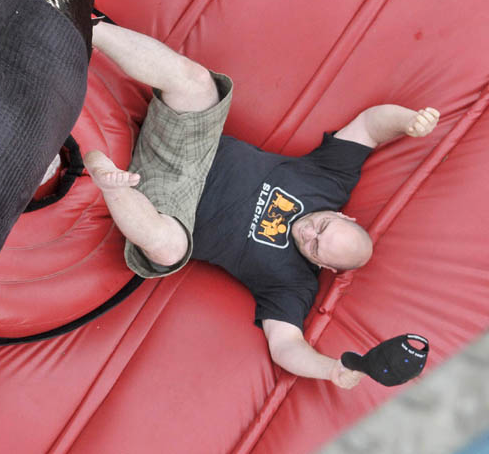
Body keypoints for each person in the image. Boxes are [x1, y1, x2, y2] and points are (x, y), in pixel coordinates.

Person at [85, 21, 440, 389]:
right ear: (341, 214)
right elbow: (369, 126)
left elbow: (286, 346)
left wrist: (331, 369)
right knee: (198, 82)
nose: (308, 233)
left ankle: (109, 183)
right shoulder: (330, 181)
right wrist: (408, 121)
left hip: (166, 207)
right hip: (192, 147)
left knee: (169, 249)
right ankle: (86, 25)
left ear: (325, 266)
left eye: (316, 248)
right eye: (322, 227)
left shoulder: (292, 284)